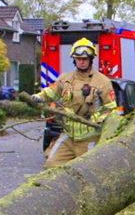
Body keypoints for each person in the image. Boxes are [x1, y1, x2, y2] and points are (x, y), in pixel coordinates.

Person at [32, 38, 117, 169]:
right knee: (51, 165)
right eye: (78, 59)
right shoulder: (65, 79)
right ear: (74, 59)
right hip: (69, 136)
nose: (81, 62)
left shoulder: (103, 82)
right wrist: (37, 98)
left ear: (91, 59)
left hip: (90, 139)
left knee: (89, 171)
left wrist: (100, 121)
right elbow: (51, 92)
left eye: (85, 59)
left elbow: (111, 109)